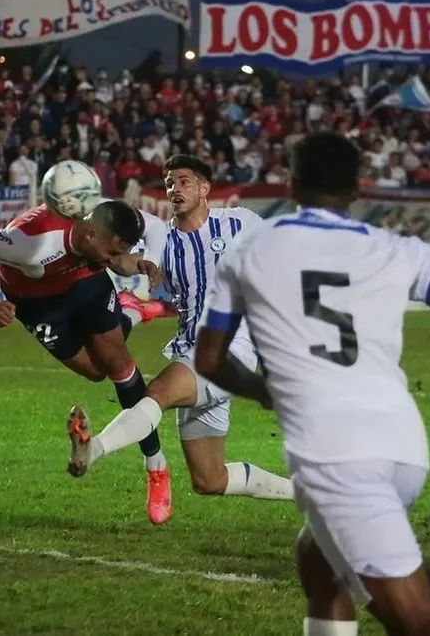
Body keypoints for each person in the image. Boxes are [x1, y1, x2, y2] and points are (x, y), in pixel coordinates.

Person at [192, 132, 430, 636]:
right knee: (318, 562)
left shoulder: (251, 250)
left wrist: (267, 391)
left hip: (336, 454)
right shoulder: (396, 248)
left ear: (292, 182)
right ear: (358, 187)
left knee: (418, 620)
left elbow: (211, 357)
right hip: (405, 448)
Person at [66, 154, 294, 526]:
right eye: (170, 182)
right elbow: (137, 271)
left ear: (205, 189)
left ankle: (94, 450)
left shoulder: (239, 223)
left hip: (228, 352)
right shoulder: (164, 243)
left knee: (157, 393)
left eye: (185, 181)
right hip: (192, 351)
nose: (175, 189)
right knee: (209, 479)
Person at [0, 198, 175, 523]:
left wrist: (148, 259)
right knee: (95, 371)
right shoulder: (31, 245)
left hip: (85, 282)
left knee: (119, 365)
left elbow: (157, 226)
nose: (116, 262)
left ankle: (156, 465)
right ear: (91, 234)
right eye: (111, 253)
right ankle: (133, 310)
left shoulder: (101, 210)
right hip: (37, 305)